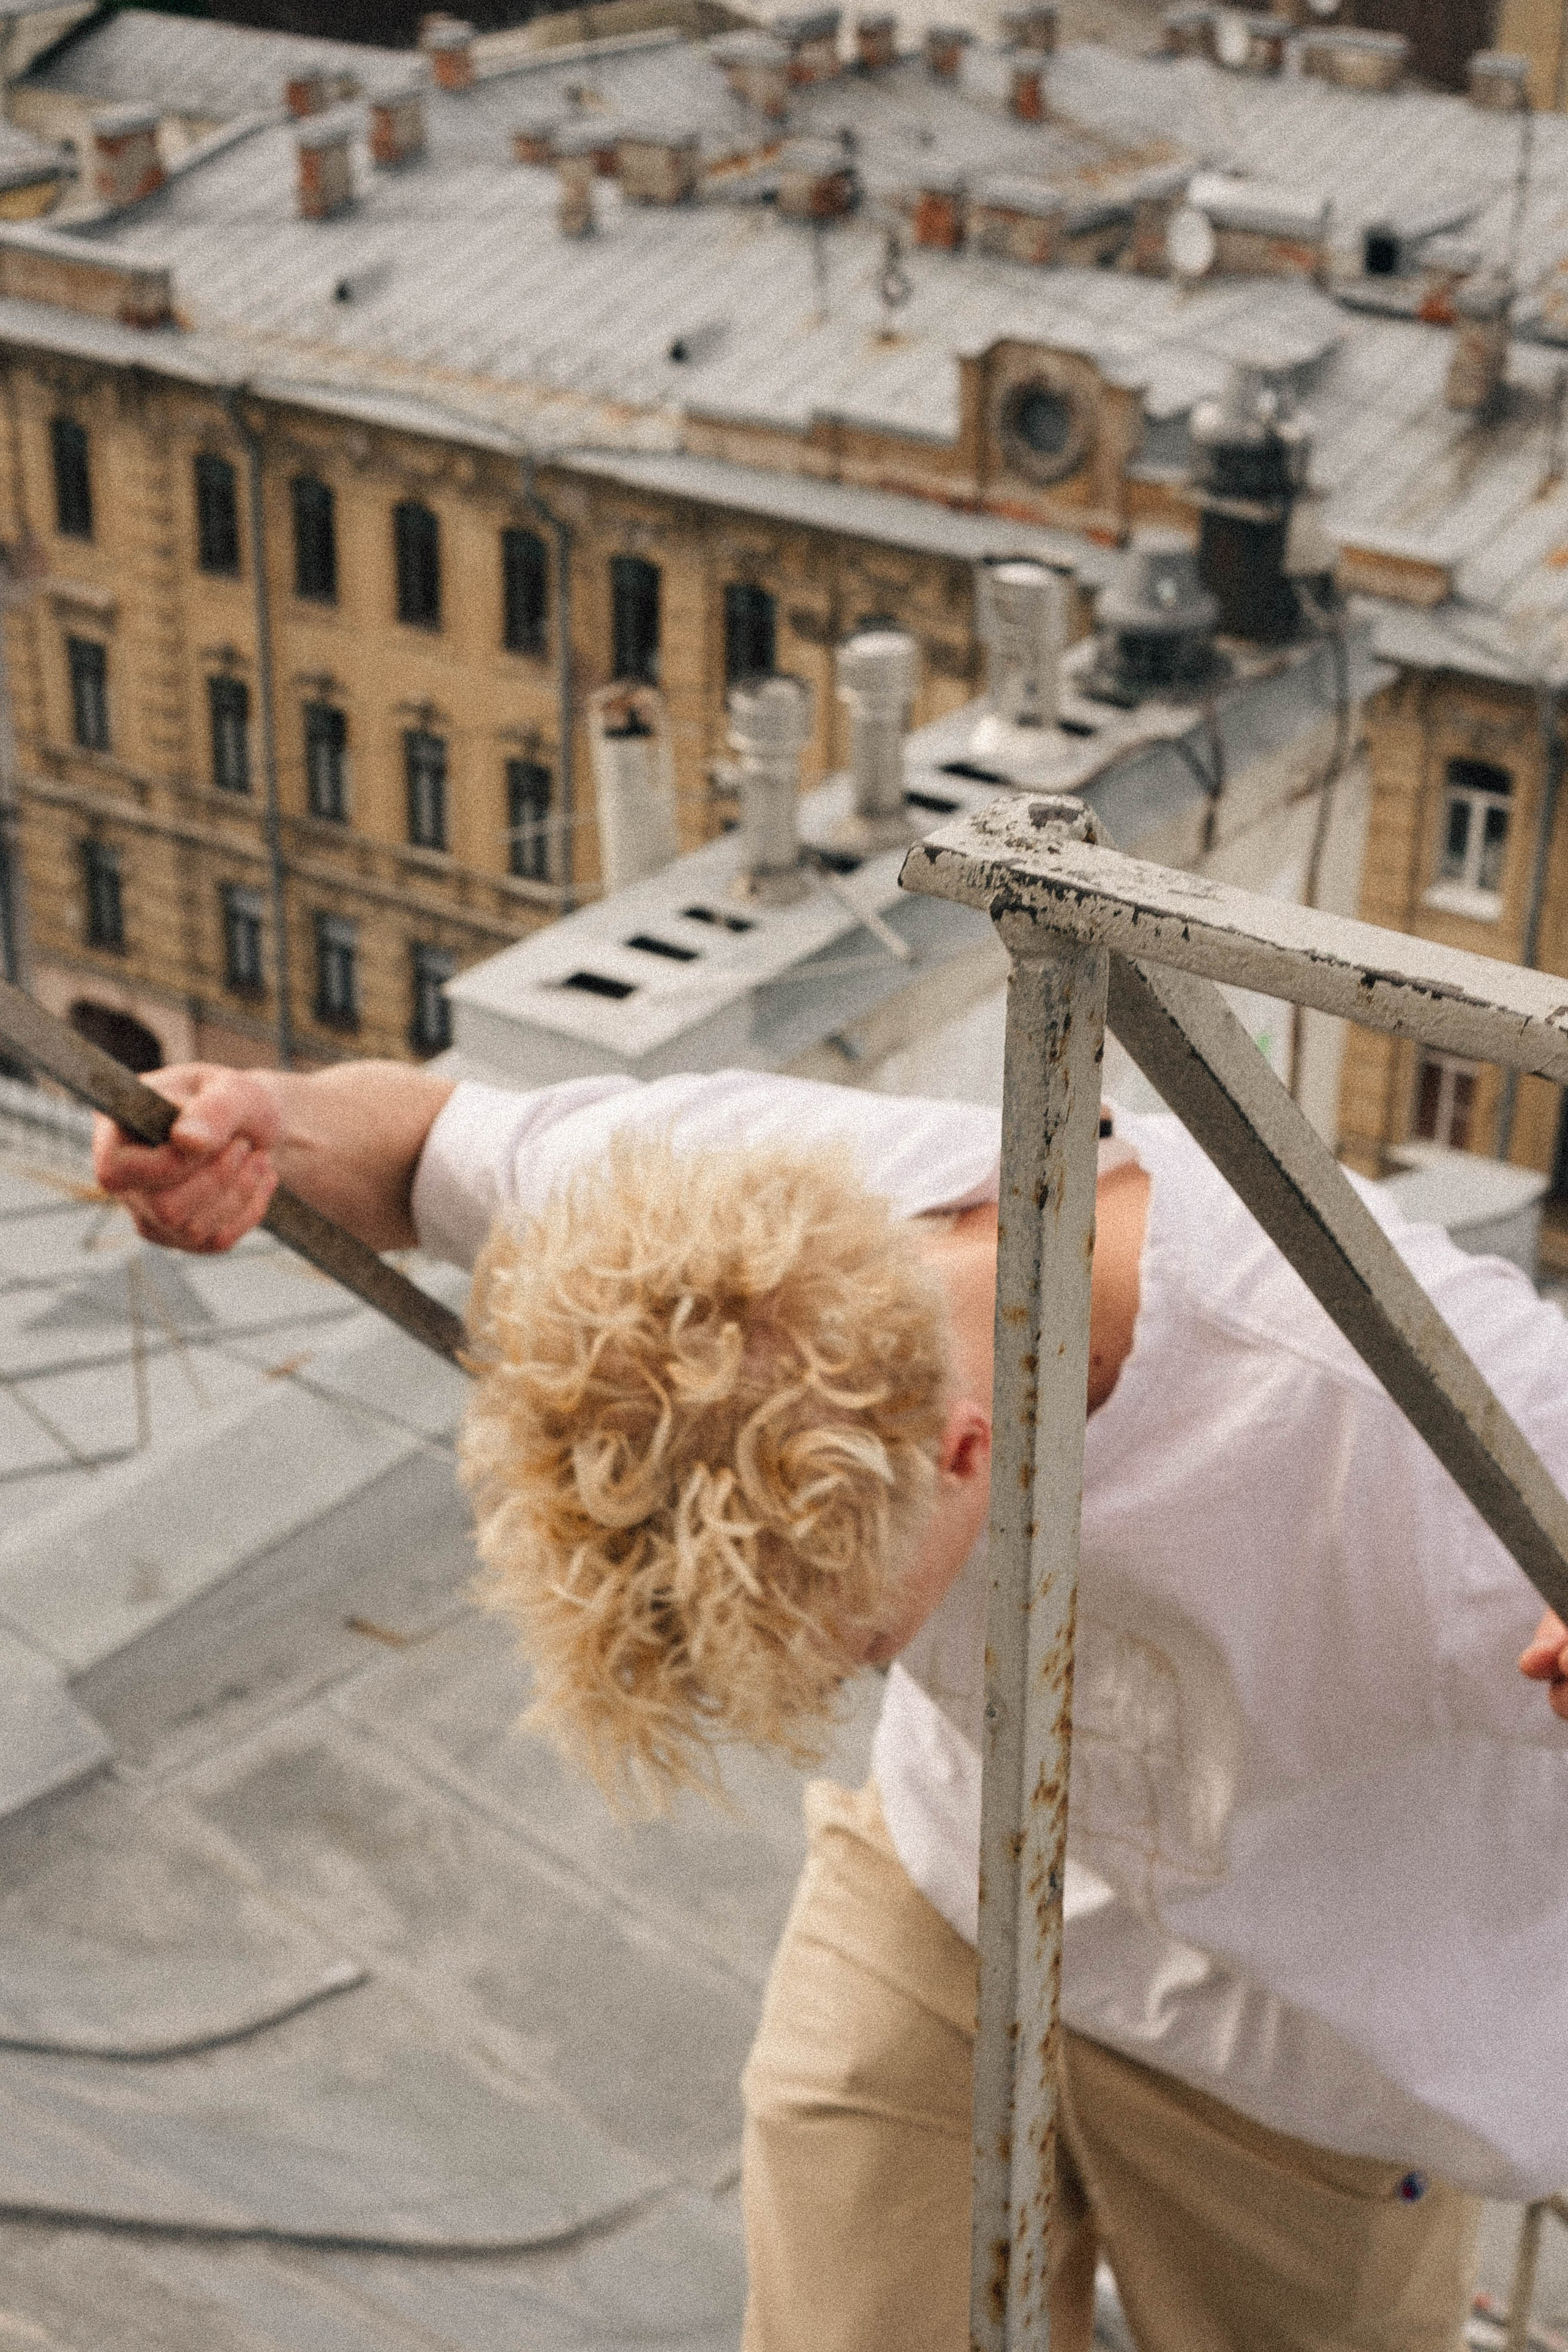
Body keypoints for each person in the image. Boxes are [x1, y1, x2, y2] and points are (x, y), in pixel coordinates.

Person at [94, 1055, 1568, 2352]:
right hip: (958, 1891)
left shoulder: (1428, 1416)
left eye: (860, 1645)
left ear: (967, 1453)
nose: (859, 1669)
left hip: (1307, 2057)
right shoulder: (705, 1228)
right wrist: (257, 1127)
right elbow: (413, 1147)